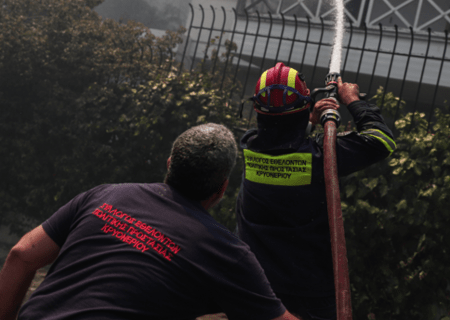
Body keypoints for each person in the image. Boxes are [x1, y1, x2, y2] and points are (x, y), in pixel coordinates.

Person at [0, 123, 302, 320]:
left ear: (169, 164)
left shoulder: (105, 195)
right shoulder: (225, 251)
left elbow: (21, 255)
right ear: (222, 188)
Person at [235, 62, 396, 320]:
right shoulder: (322, 158)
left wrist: (308, 119)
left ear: (257, 110)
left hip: (256, 286)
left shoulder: (249, 148)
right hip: (310, 293)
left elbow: (281, 134)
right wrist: (353, 101)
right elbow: (381, 141)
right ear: (305, 104)